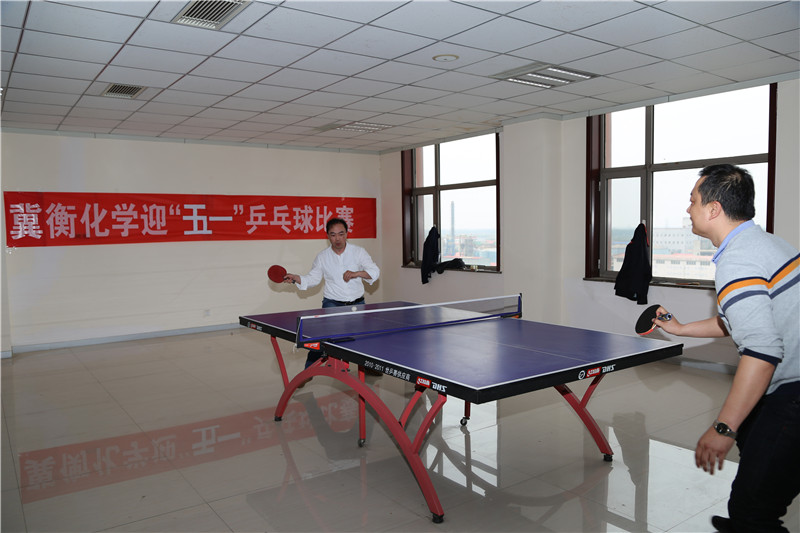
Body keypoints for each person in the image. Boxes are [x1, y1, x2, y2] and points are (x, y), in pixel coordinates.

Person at [653, 164, 799, 533]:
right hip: (787, 383)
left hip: (794, 390)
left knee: (753, 512)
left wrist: (723, 427)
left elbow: (762, 350)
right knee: (753, 442)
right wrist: (682, 328)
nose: (688, 209)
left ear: (713, 209)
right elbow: (744, 319)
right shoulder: (765, 243)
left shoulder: (737, 261)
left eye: (693, 201)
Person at [283, 217, 380, 378]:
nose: (337, 239)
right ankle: (308, 372)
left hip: (357, 304)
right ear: (328, 236)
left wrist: (356, 273)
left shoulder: (358, 252)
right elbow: (313, 279)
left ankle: (366, 367)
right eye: (333, 235)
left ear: (347, 234)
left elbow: (375, 272)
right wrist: (296, 278)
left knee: (361, 339)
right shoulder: (322, 257)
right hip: (332, 303)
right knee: (323, 339)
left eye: (341, 234)